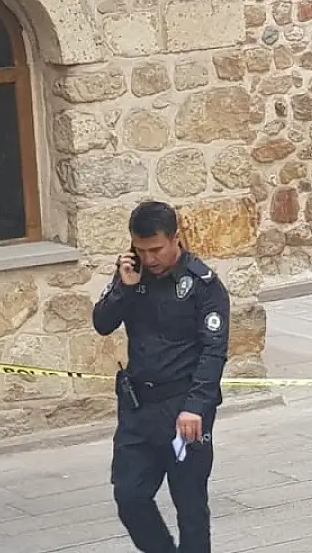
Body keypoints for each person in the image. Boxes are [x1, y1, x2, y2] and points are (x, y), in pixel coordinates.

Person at [92, 200, 230, 553]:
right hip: (139, 408)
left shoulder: (202, 285)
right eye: (141, 249)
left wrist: (196, 407)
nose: (149, 258)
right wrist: (123, 288)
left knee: (190, 506)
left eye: (156, 249)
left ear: (175, 238)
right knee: (130, 496)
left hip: (183, 408)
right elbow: (102, 324)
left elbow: (213, 352)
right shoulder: (131, 275)